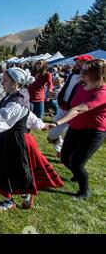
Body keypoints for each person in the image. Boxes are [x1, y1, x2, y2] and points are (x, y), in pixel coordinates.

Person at [0, 68, 64, 211]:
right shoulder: (16, 95)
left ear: (16, 83)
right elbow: (28, 114)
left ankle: (22, 198)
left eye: (5, 80)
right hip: (5, 138)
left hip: (14, 141)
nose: (2, 82)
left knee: (14, 171)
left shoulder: (17, 101)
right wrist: (41, 124)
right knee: (2, 170)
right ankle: (10, 199)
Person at [49, 59, 106, 200]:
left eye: (86, 70)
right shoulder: (81, 86)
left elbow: (78, 109)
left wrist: (57, 123)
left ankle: (84, 191)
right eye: (82, 69)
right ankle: (77, 174)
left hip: (93, 131)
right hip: (75, 127)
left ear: (97, 73)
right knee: (64, 157)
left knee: (77, 162)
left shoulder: (102, 92)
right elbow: (71, 103)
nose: (81, 72)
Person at [47, 55, 94, 157]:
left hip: (74, 111)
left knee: (68, 136)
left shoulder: (87, 80)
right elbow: (67, 90)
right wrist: (58, 94)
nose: (77, 64)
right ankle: (62, 148)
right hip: (63, 107)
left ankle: (65, 152)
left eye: (81, 62)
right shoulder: (72, 75)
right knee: (51, 134)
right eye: (77, 62)